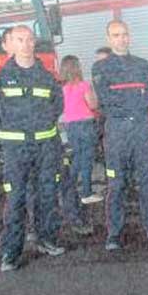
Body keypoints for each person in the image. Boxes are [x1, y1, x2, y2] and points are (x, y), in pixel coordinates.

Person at [0, 25, 65, 271]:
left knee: (47, 195)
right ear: (9, 44)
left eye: (30, 39)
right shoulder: (0, 74)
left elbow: (57, 104)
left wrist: (40, 124)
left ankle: (47, 240)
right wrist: (16, 125)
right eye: (20, 39)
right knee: (16, 198)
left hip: (45, 145)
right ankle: (11, 252)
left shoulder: (46, 74)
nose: (27, 44)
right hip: (16, 149)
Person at [92, 20, 148, 250]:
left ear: (130, 36)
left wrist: (128, 97)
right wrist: (133, 97)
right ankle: (114, 234)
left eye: (125, 34)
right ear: (109, 39)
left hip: (142, 129)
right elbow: (106, 99)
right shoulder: (100, 68)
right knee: (116, 184)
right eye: (116, 35)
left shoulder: (143, 64)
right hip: (118, 131)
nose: (121, 39)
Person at [60, 55, 102, 204]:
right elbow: (93, 105)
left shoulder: (63, 89)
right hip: (85, 125)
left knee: (77, 157)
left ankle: (67, 189)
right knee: (87, 159)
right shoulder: (84, 85)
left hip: (70, 126)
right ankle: (86, 193)